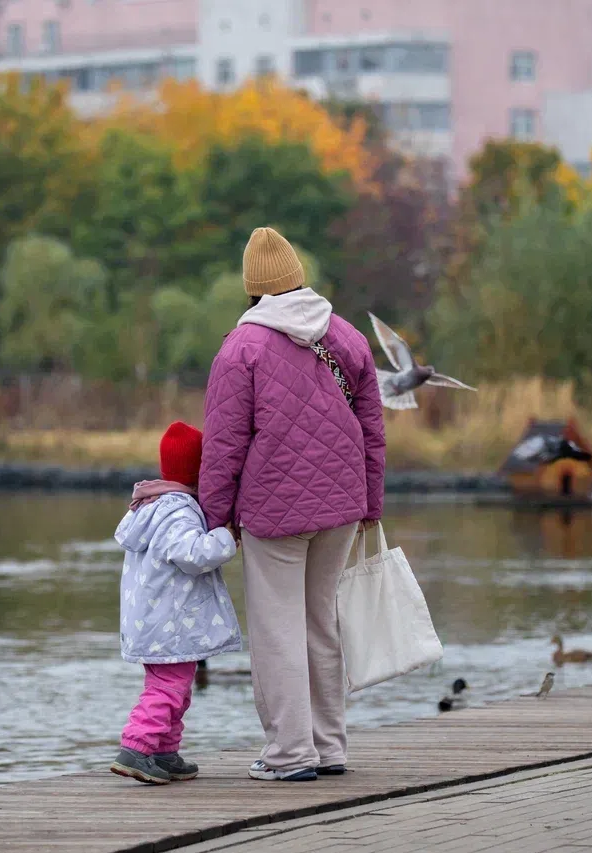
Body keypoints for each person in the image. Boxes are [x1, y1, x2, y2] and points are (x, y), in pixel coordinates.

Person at [200, 226, 386, 782]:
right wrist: (370, 504)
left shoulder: (242, 348)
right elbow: (372, 428)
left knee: (277, 629)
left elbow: (223, 445)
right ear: (298, 278)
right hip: (343, 505)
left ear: (253, 289)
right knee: (320, 624)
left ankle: (288, 754)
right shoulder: (346, 336)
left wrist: (214, 520)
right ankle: (329, 749)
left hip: (274, 512)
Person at [110, 421, 242, 785]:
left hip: (153, 623)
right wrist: (225, 538)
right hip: (171, 623)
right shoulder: (178, 511)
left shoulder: (150, 507)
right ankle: (136, 748)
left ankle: (165, 752)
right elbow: (192, 554)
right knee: (168, 688)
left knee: (175, 687)